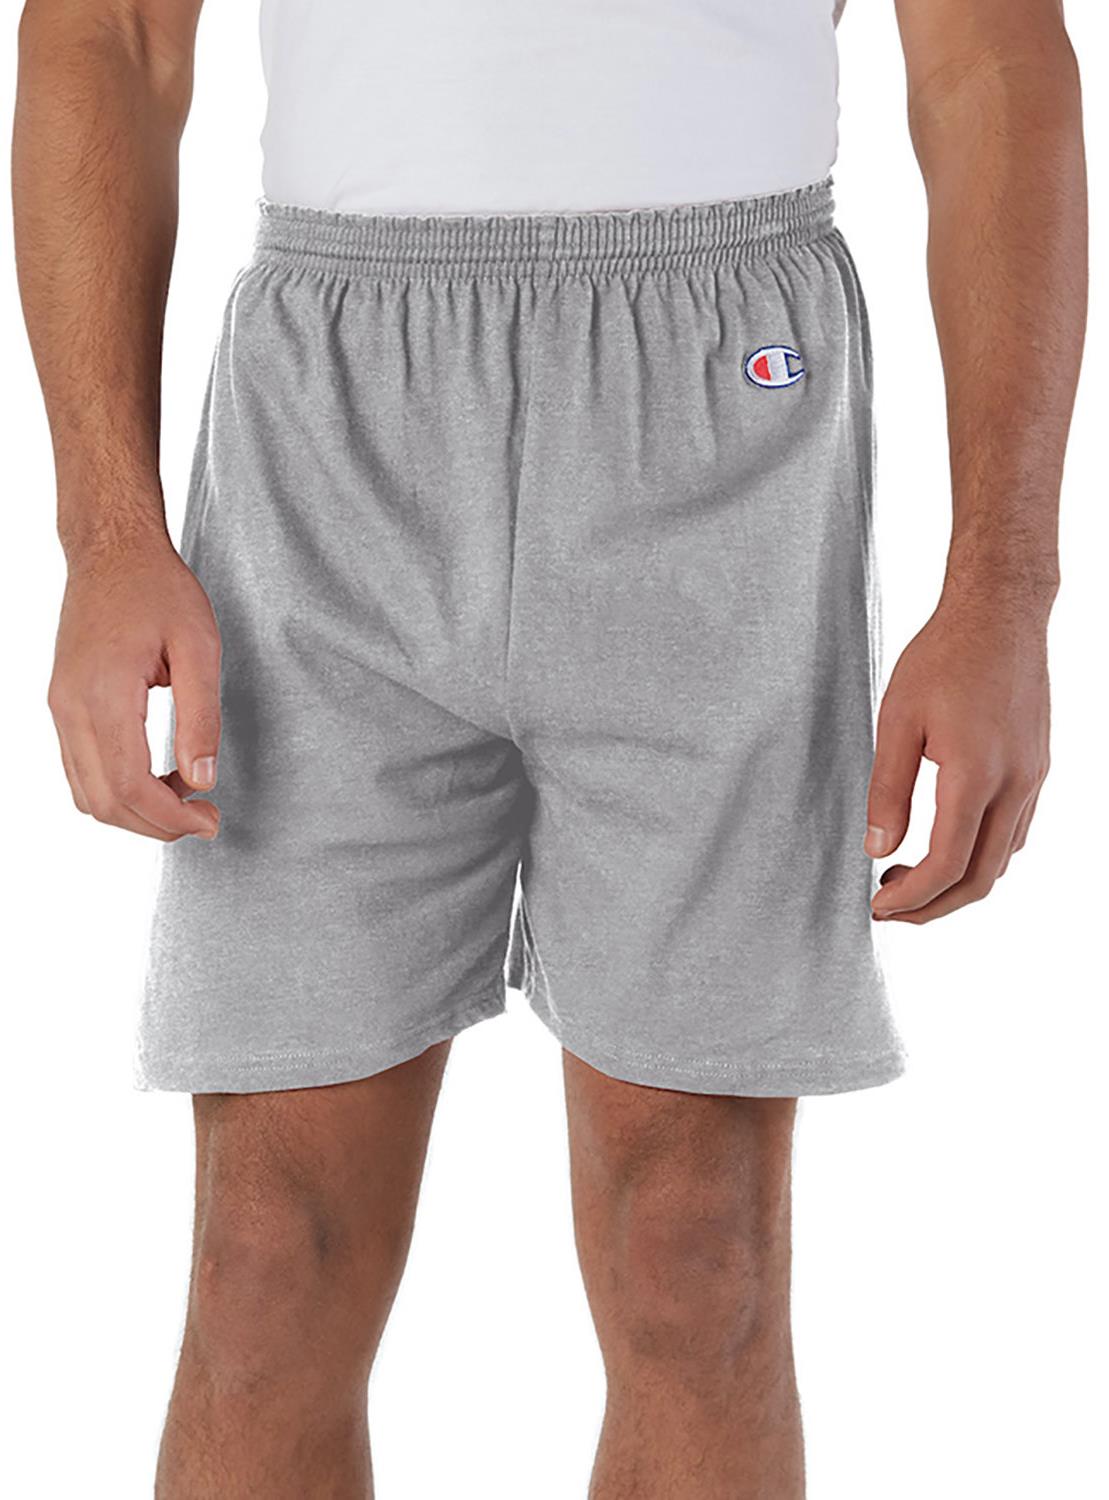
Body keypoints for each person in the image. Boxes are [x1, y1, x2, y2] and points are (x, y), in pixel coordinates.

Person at [13, 0, 1086, 1494]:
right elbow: (110, 36)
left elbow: (989, 61)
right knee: (266, 1264)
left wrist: (1002, 589)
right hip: (331, 421)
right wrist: (106, 533)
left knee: (695, 1258)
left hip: (720, 399)